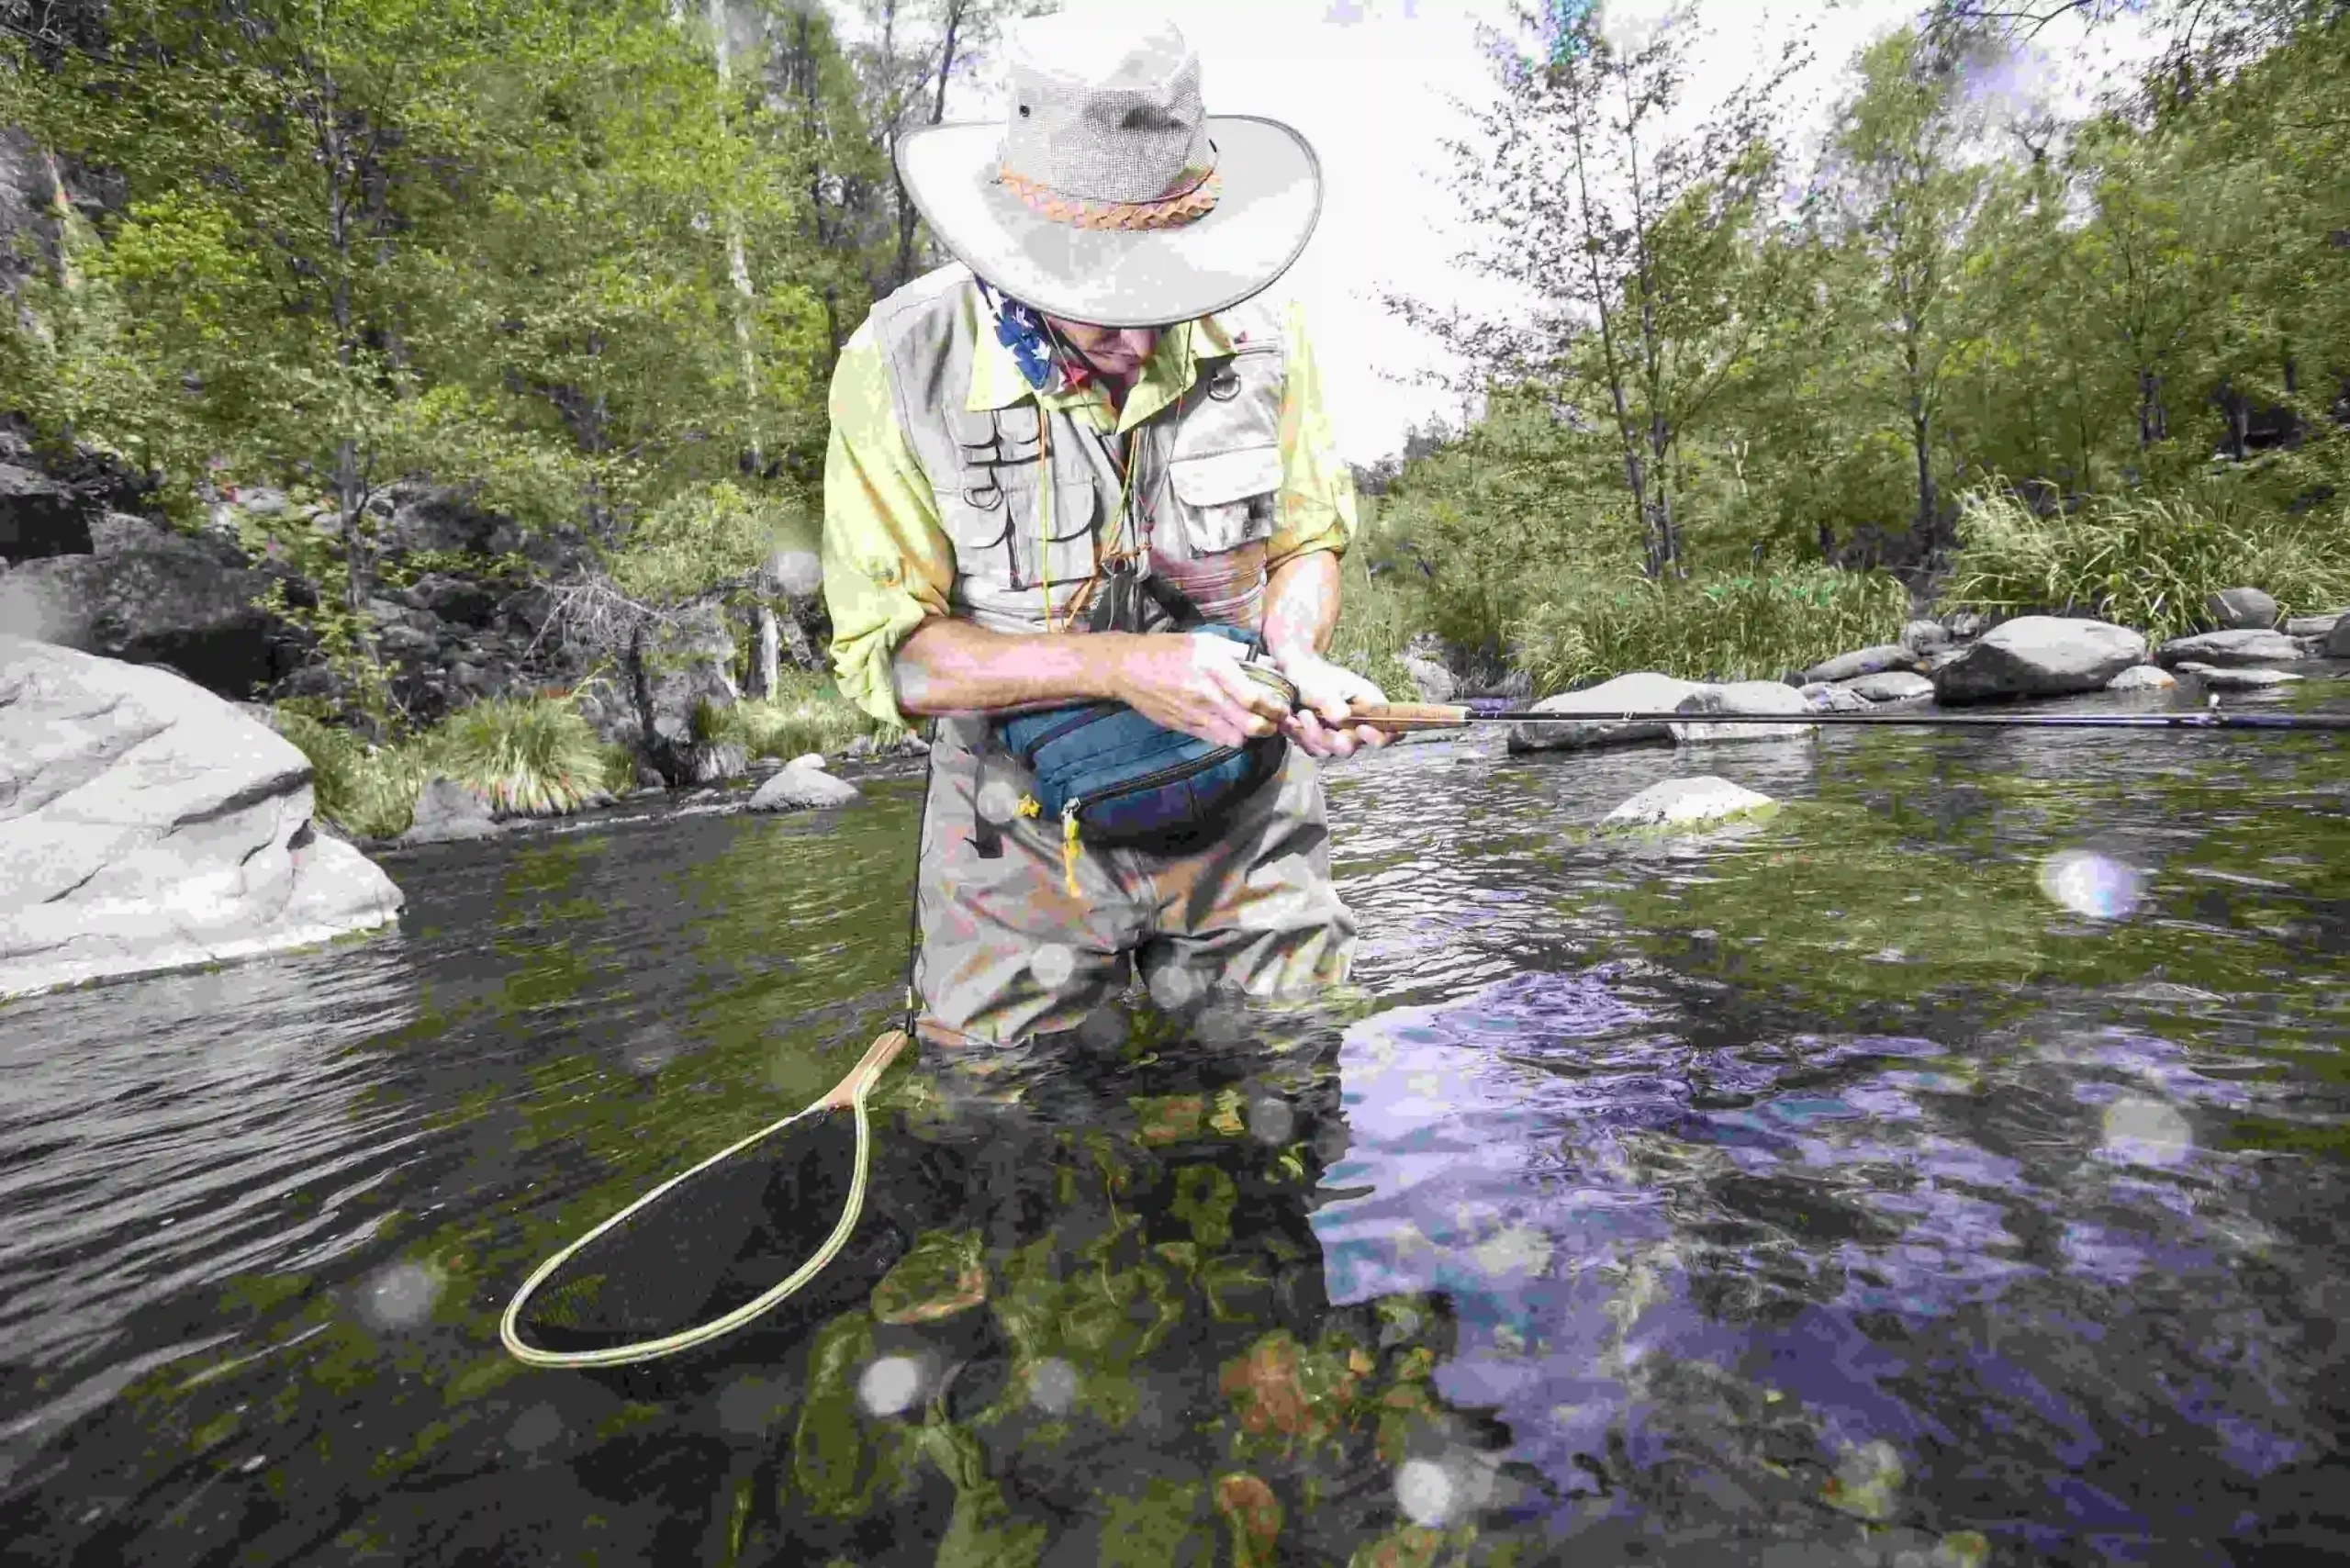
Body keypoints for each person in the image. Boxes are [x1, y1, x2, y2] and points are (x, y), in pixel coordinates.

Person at [821, 10, 1391, 1047]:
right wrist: (1124, 665)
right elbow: (900, 662)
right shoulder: (900, 360)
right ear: (1017, 257)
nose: (1138, 339)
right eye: (1100, 307)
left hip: (1246, 827)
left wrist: (1297, 657)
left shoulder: (1275, 332)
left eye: (1169, 296)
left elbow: (1306, 541)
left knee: (1290, 1088)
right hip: (1015, 834)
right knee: (1004, 1134)